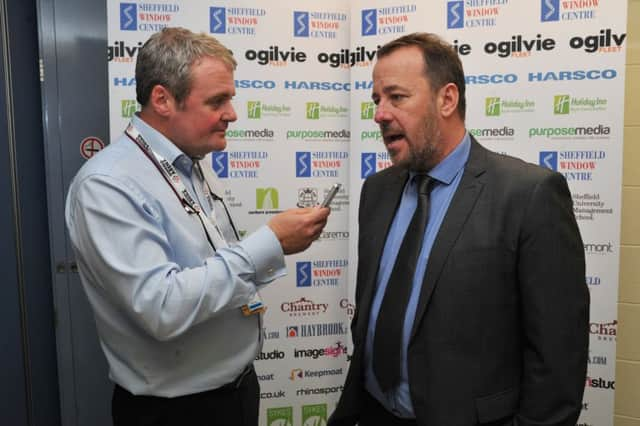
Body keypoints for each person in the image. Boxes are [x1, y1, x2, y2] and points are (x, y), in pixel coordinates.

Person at [65, 27, 330, 426]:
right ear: (163, 99)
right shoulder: (108, 184)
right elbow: (161, 308)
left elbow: (207, 265)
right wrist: (270, 242)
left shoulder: (188, 164)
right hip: (177, 412)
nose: (232, 113)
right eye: (217, 100)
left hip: (234, 393)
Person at [329, 33, 589, 426]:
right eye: (376, 100)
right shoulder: (377, 191)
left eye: (396, 97)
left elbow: (557, 357)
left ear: (446, 99)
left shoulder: (528, 195)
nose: (380, 114)